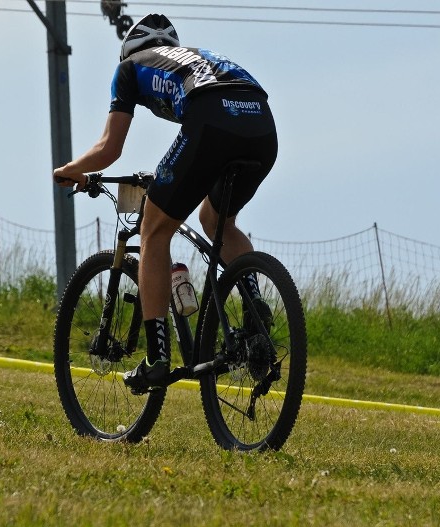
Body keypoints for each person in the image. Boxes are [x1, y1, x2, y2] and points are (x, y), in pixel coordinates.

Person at [53, 14, 277, 391]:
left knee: (154, 231)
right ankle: (257, 319)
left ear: (130, 49)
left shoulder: (129, 68)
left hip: (211, 119)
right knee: (216, 219)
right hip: (262, 125)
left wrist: (72, 169)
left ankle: (156, 359)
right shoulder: (196, 57)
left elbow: (110, 148)